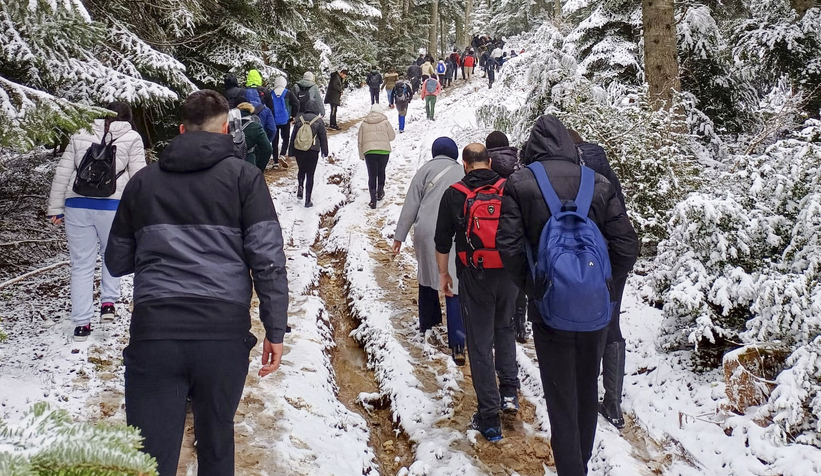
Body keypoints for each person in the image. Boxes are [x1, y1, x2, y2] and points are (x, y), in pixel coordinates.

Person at [104, 90, 289, 476]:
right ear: (226, 129)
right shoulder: (245, 178)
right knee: (217, 440)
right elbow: (267, 259)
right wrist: (275, 329)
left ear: (181, 129)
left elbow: (117, 261)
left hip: (155, 332)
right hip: (222, 333)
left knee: (149, 457)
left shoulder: (143, 182)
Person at [497, 115, 639, 476]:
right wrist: (604, 287)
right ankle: (582, 465)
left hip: (550, 310)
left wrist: (535, 289)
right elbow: (627, 246)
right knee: (586, 391)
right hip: (594, 309)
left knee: (561, 397)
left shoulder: (520, 183)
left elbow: (509, 247)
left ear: (533, 148)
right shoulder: (599, 183)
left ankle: (571, 470)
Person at [434, 143, 521, 442]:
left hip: (475, 274)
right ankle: (510, 393)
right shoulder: (508, 187)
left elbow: (442, 240)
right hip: (509, 273)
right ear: (490, 162)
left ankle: (489, 418)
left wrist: (444, 275)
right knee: (505, 328)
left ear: (465, 164)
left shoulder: (455, 193)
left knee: (481, 343)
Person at [47, 102, 146, 342]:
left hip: (77, 205)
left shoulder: (79, 133)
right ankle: (108, 304)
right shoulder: (132, 137)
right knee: (110, 253)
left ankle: (82, 324)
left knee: (81, 264)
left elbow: (63, 172)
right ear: (128, 117)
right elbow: (139, 177)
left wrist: (55, 208)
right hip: (113, 206)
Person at [568, 129, 628, 429]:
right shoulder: (607, 170)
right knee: (612, 322)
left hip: (587, 260)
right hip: (617, 255)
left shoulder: (575, 175)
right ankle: (614, 403)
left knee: (586, 325)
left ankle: (585, 395)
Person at [393, 137, 467, 365]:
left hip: (426, 231)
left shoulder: (424, 171)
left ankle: (428, 324)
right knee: (452, 282)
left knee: (427, 276)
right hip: (454, 232)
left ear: (435, 152)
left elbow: (410, 205)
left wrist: (399, 236)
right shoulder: (462, 173)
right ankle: (458, 343)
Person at [485, 131, 528, 343]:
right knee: (519, 276)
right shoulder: (520, 163)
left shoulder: (486, 164)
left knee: (496, 278)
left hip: (493, 227)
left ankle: (496, 325)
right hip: (519, 226)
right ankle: (520, 324)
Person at [289, 100, 328, 208]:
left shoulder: (299, 119)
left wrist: (291, 151)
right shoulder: (319, 121)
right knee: (310, 174)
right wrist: (325, 151)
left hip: (299, 149)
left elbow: (293, 137)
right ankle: (307, 200)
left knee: (301, 169)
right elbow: (323, 137)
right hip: (313, 150)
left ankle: (300, 186)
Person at [358, 104, 395, 209]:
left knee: (372, 175)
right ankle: (380, 192)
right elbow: (392, 137)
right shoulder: (385, 122)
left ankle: (373, 200)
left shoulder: (364, 124)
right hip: (384, 151)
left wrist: (361, 155)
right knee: (381, 171)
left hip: (369, 152)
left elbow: (360, 141)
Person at [270, 76, 300, 168]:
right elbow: (296, 103)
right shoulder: (288, 93)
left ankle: (275, 161)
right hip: (285, 119)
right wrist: (293, 115)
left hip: (274, 120)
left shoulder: (271, 93)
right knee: (286, 138)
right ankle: (282, 154)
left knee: (275, 141)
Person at [236, 102, 273, 171]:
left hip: (230, 164)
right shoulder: (256, 127)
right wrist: (259, 168)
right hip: (249, 163)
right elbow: (267, 149)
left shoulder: (228, 125)